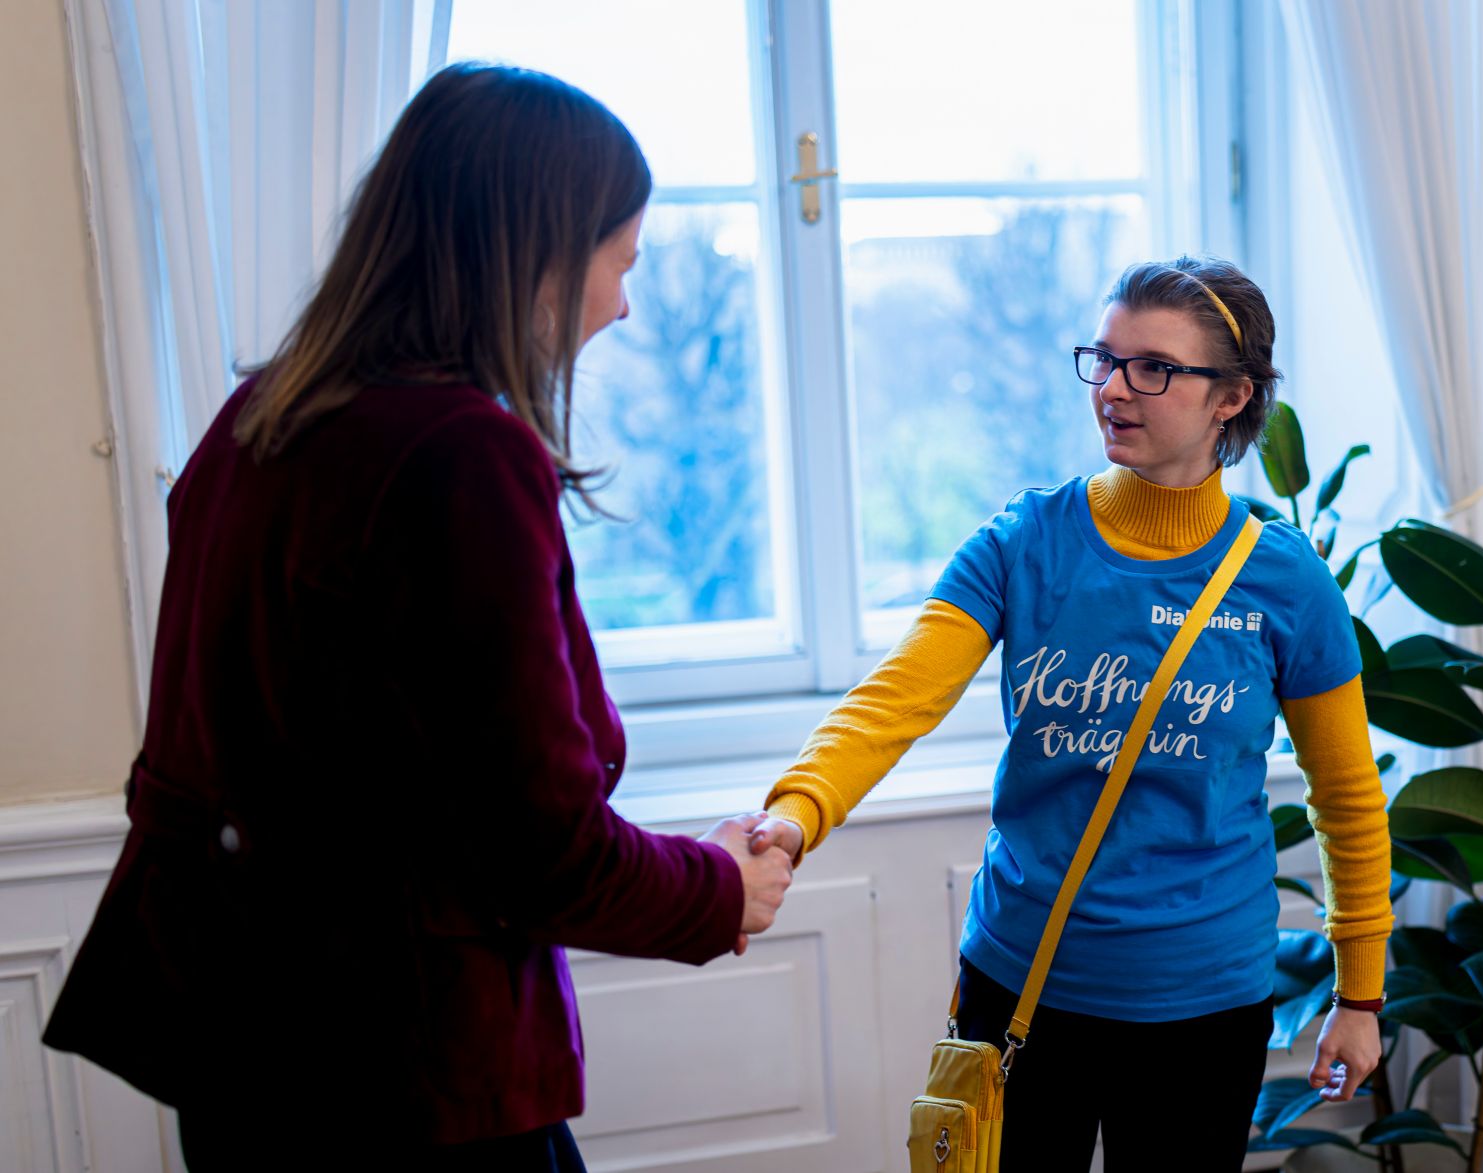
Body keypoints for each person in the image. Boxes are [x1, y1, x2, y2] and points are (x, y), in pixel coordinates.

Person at [42, 63, 793, 1171]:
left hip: (244, 1051)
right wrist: (718, 886)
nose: (621, 304)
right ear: (534, 254)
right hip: (408, 1076)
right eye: (617, 262)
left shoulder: (262, 412)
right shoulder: (462, 454)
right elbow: (542, 847)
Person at [748, 257, 1394, 1169]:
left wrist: (1358, 995)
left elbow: (1348, 795)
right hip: (1022, 987)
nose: (1116, 389)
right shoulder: (1025, 541)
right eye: (1105, 358)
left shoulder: (1285, 580)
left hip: (1203, 1004)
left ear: (1232, 397)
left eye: (1154, 368)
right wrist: (795, 811)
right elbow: (897, 697)